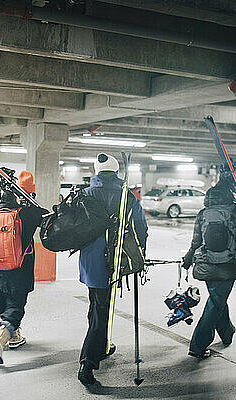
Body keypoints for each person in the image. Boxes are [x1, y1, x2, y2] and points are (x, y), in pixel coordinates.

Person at [77, 153, 148, 385]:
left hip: (88, 261)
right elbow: (141, 229)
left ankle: (102, 347)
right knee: (101, 311)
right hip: (113, 260)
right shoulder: (126, 196)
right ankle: (87, 362)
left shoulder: (85, 194)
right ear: (116, 172)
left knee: (97, 304)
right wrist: (140, 255)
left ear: (97, 171)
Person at [180, 183, 236, 358]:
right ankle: (198, 345)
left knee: (218, 298)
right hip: (229, 265)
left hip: (205, 264)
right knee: (216, 302)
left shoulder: (202, 214)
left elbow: (196, 242)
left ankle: (227, 333)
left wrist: (188, 259)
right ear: (229, 196)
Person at [0, 170, 48, 364]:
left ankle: (14, 336)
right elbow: (47, 219)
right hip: (19, 269)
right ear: (28, 195)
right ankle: (1, 339)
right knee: (16, 308)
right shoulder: (29, 214)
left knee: (7, 302)